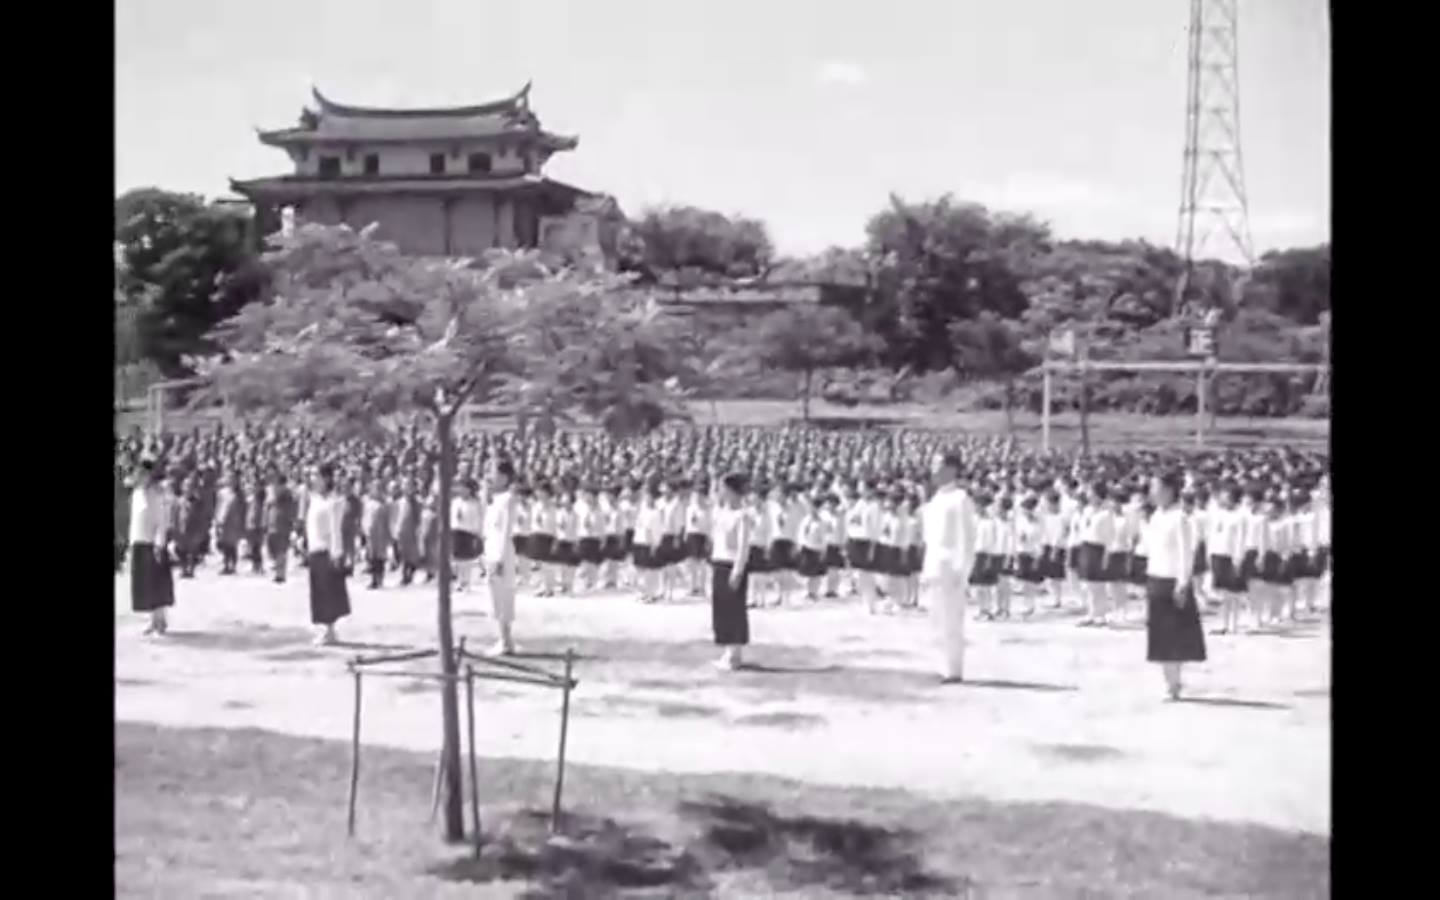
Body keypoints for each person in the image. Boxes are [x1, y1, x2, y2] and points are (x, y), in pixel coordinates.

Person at [1140, 471, 1206, 700]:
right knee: (1159, 634)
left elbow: (1186, 553)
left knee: (1174, 634)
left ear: (1168, 490)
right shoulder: (1156, 515)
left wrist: (1183, 583)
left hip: (1173, 581)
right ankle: (1170, 681)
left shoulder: (1180, 518)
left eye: (1155, 488)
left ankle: (1174, 683)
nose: (1151, 493)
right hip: (1155, 577)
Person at [921, 453, 976, 683]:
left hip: (951, 566)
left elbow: (967, 539)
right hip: (934, 563)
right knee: (937, 618)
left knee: (952, 619)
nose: (933, 470)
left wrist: (963, 574)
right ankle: (943, 664)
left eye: (939, 465)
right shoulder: (935, 500)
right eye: (933, 465)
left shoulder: (960, 498)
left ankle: (954, 669)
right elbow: (929, 539)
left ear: (952, 469)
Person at [709, 472, 754, 671]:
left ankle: (735, 654)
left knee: (734, 609)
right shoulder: (720, 513)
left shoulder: (742, 516)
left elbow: (744, 546)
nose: (720, 492)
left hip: (732, 565)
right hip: (718, 563)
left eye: (723, 488)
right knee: (721, 609)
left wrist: (738, 570)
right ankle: (728, 650)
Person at [304, 464, 350, 646]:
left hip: (327, 550)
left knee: (328, 592)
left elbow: (335, 529)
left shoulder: (334, 502)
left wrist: (336, 554)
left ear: (326, 478)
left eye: (316, 475)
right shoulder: (314, 500)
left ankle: (329, 630)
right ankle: (325, 629)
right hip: (314, 549)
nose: (313, 478)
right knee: (318, 592)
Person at [128, 457, 175, 636]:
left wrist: (159, 543)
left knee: (157, 583)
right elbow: (136, 520)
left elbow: (161, 520)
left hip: (153, 543)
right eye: (138, 473)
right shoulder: (137, 493)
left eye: (143, 473)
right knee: (145, 585)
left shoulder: (157, 494)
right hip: (139, 541)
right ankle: (151, 621)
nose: (139, 476)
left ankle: (160, 620)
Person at [482, 460, 519, 655]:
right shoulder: (495, 499)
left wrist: (500, 558)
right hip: (492, 549)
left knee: (503, 594)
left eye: (493, 473)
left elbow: (505, 530)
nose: (490, 476)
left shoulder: (508, 499)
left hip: (501, 552)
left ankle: (505, 640)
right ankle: (505, 638)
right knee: (494, 595)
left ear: (504, 477)